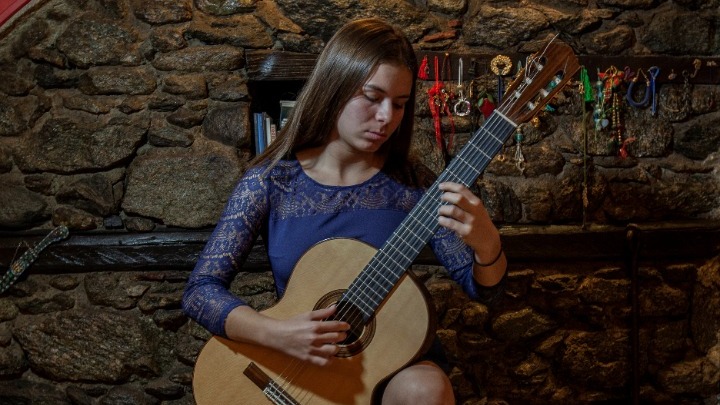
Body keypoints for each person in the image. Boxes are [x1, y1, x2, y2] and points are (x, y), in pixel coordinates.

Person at [182, 17, 507, 405]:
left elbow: (483, 290)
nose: (386, 117)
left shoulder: (414, 185)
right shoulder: (271, 182)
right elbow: (200, 291)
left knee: (426, 389)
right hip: (296, 364)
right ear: (334, 88)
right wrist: (278, 334)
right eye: (372, 97)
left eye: (399, 104)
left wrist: (488, 245)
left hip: (386, 368)